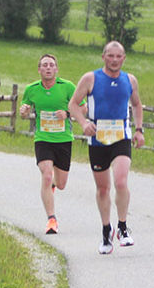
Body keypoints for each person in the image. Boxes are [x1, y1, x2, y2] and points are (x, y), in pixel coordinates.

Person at [68, 41, 145, 254]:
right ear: (103, 57)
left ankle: (122, 227)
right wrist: (84, 123)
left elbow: (137, 104)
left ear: (124, 58)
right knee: (103, 188)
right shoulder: (90, 78)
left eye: (118, 56)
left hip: (121, 136)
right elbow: (73, 104)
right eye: (110, 56)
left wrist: (139, 130)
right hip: (98, 138)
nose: (114, 60)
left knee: (121, 181)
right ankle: (106, 230)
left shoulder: (130, 80)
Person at [20, 54, 76, 235]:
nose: (48, 68)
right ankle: (51, 220)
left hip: (63, 139)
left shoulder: (67, 87)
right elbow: (24, 111)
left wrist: (67, 113)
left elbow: (82, 108)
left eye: (51, 65)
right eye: (44, 65)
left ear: (57, 69)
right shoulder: (31, 89)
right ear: (39, 69)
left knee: (61, 184)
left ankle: (52, 184)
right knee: (46, 174)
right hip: (43, 139)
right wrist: (24, 111)